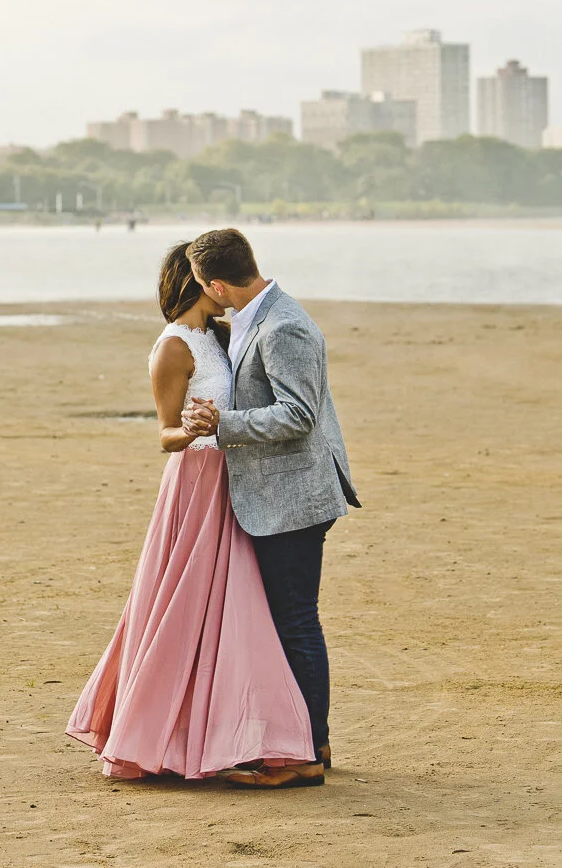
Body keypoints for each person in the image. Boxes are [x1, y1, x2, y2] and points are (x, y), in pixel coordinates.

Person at [65, 242, 317, 783]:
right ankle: (174, 736)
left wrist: (224, 424)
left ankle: (258, 734)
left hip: (235, 483)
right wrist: (197, 429)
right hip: (197, 485)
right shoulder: (173, 348)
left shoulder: (220, 337)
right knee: (185, 610)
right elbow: (165, 436)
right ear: (200, 284)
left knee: (236, 614)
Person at [182, 228, 361, 790]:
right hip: (276, 495)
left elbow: (299, 415)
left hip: (295, 498)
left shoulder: (283, 325)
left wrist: (224, 424)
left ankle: (307, 754)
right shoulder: (253, 318)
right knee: (287, 621)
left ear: (215, 282)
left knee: (295, 623)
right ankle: (311, 743)